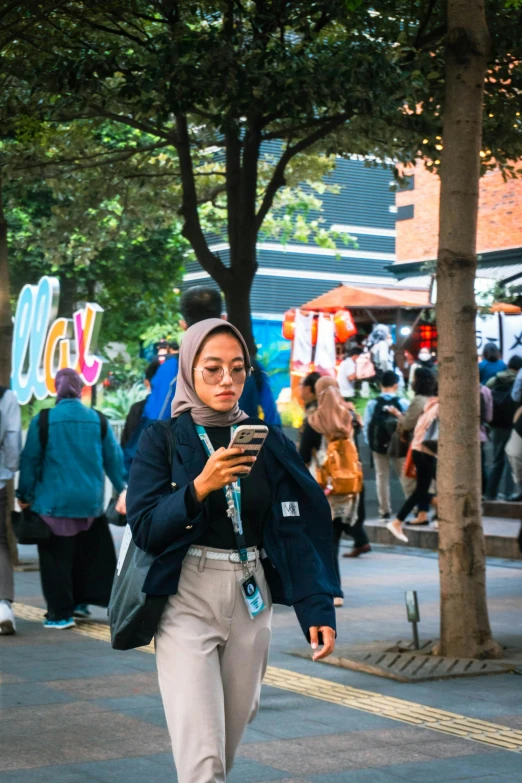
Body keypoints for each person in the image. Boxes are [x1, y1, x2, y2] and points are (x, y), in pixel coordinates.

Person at [126, 320, 337, 783]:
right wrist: (199, 487)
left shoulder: (268, 440)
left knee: (226, 743)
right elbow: (144, 528)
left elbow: (294, 528)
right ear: (189, 371)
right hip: (187, 595)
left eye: (237, 369)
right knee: (203, 761)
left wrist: (316, 603)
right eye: (213, 369)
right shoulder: (161, 438)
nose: (227, 381)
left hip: (251, 592)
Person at [17, 369, 127, 629]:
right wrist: (123, 487)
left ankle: (60, 614)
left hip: (53, 504)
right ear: (79, 389)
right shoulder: (98, 419)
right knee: (84, 556)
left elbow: (31, 460)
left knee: (56, 559)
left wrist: (24, 494)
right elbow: (114, 459)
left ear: (58, 388)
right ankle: (80, 604)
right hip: (89, 504)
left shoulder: (44, 419)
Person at [387, 395, 439, 543]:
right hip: (426, 451)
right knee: (422, 490)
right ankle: (397, 521)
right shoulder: (440, 407)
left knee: (423, 489)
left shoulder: (430, 405)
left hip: (419, 449)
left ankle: (436, 512)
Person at [363, 370, 410, 522]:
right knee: (405, 476)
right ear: (395, 385)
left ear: (380, 385)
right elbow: (409, 424)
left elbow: (367, 426)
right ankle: (414, 508)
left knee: (381, 478)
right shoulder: (402, 403)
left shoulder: (373, 403)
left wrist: (371, 443)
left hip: (378, 447)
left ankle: (384, 511)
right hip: (400, 446)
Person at [397, 367, 438, 509]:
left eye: (414, 379)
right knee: (425, 482)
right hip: (431, 445)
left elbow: (408, 424)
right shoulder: (432, 399)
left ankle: (434, 505)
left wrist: (399, 416)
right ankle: (423, 513)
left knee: (411, 481)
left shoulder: (419, 400)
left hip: (418, 445)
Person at [484, 355, 522, 500]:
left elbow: (485, 396)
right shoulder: (518, 378)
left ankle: (490, 493)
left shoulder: (495, 379)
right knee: (513, 459)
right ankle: (508, 492)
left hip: (498, 424)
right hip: (516, 422)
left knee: (496, 459)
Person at [0, 387, 22, 636]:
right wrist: (10, 469)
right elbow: (12, 436)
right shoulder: (5, 396)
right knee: (0, 542)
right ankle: (2, 607)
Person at [121, 359, 161, 472]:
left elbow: (126, 443)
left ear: (147, 383)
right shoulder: (178, 409)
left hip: (139, 471)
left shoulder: (137, 409)